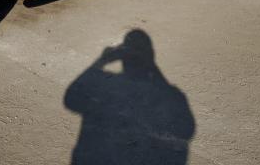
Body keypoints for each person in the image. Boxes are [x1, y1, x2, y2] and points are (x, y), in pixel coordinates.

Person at [65, 30, 195, 165]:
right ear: (150, 57)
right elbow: (187, 131)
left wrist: (101, 60)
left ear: (122, 57)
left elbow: (70, 98)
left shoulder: (106, 84)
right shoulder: (169, 95)